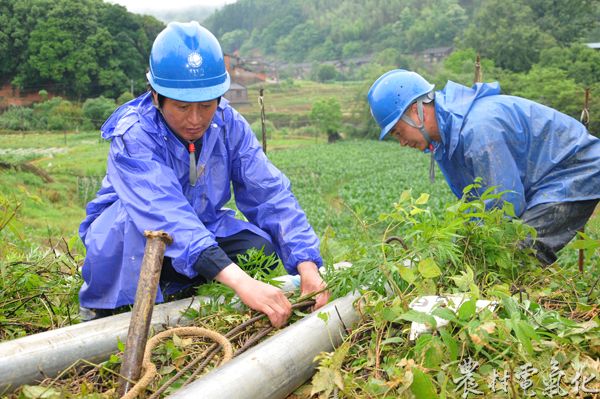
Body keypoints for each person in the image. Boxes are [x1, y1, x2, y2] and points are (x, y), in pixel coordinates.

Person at [79, 21, 329, 328]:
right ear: (156, 96)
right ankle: (110, 309)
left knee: (259, 249)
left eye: (206, 105)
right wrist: (242, 283)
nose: (195, 120)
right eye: (182, 107)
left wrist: (307, 263)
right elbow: (165, 214)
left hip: (201, 225)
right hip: (136, 233)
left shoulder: (227, 124)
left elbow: (269, 193)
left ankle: (183, 290)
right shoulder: (134, 134)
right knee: (127, 230)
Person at [367, 69, 600, 265]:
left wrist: (473, 250)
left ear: (415, 112)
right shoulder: (446, 140)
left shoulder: (477, 130)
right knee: (488, 255)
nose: (401, 142)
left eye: (398, 132)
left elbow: (504, 205)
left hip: (574, 171)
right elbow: (475, 202)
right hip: (543, 181)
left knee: (515, 254)